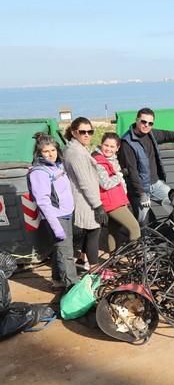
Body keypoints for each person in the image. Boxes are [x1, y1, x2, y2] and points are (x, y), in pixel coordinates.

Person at [120, 107, 174, 224]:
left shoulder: (151, 134)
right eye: (143, 122)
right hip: (139, 190)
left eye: (150, 123)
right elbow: (132, 172)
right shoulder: (127, 143)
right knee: (145, 222)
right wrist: (141, 194)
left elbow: (166, 135)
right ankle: (144, 241)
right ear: (137, 120)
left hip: (156, 184)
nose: (146, 125)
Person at [27, 134, 78, 289]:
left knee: (60, 249)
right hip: (56, 217)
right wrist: (56, 226)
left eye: (53, 150)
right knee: (66, 253)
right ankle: (72, 287)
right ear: (39, 153)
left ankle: (58, 280)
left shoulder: (56, 166)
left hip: (66, 213)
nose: (50, 154)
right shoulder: (39, 172)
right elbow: (43, 202)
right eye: (46, 151)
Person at [63, 117, 108, 271]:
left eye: (90, 131)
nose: (87, 135)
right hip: (85, 200)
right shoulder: (76, 153)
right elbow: (85, 182)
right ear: (74, 132)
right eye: (83, 132)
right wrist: (98, 205)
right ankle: (95, 270)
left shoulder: (77, 149)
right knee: (93, 232)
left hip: (84, 198)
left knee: (87, 233)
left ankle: (82, 260)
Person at [92, 133, 141, 251]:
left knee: (113, 231)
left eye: (112, 146)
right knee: (134, 228)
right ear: (101, 144)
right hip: (111, 201)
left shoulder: (112, 160)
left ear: (117, 148)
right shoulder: (98, 161)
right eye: (106, 145)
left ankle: (114, 260)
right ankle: (138, 258)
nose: (108, 149)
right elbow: (105, 184)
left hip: (118, 199)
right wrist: (119, 175)